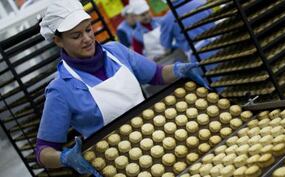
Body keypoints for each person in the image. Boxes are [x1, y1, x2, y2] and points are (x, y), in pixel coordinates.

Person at [35, 0, 208, 176]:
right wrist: (64, 158)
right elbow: (43, 151)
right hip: (117, 168)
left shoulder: (116, 52)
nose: (87, 39)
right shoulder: (60, 89)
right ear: (58, 41)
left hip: (160, 145)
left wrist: (179, 70)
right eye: (76, 36)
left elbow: (157, 74)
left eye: (88, 30)